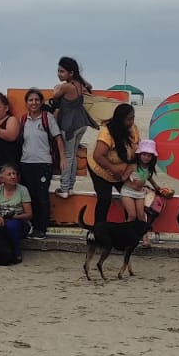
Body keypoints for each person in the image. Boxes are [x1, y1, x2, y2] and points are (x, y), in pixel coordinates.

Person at [19, 88, 62, 239]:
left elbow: (58, 138)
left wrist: (63, 159)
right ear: (26, 103)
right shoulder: (23, 119)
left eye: (37, 100)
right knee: (29, 196)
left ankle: (41, 228)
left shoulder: (47, 117)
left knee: (42, 196)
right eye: (30, 100)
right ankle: (31, 226)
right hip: (26, 163)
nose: (34, 103)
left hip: (43, 163)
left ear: (41, 102)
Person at [51, 57, 95, 198]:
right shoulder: (79, 84)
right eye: (58, 71)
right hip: (81, 123)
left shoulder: (67, 87)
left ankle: (64, 188)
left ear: (71, 73)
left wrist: (57, 87)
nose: (59, 74)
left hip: (70, 125)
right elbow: (90, 86)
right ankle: (70, 187)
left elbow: (55, 94)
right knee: (73, 155)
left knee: (67, 156)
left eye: (62, 71)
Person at [88, 103, 139, 225]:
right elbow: (98, 156)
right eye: (128, 119)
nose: (131, 122)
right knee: (105, 199)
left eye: (133, 118)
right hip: (100, 168)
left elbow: (137, 147)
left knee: (130, 196)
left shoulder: (133, 129)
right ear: (120, 120)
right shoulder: (107, 133)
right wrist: (112, 169)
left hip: (121, 171)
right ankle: (99, 230)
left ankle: (129, 229)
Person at [0, 164, 33, 264]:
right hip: (1, 219)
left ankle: (16, 253)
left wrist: (14, 217)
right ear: (1, 178)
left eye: (14, 174)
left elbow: (29, 214)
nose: (13, 176)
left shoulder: (22, 190)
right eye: (9, 174)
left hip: (18, 220)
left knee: (11, 225)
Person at [120, 139, 162, 221]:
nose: (146, 158)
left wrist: (157, 187)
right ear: (139, 155)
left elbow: (149, 177)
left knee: (141, 216)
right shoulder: (133, 166)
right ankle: (126, 229)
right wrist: (128, 177)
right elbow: (123, 178)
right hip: (128, 191)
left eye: (149, 156)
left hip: (140, 193)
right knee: (132, 215)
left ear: (152, 157)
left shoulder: (148, 168)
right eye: (144, 154)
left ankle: (141, 230)